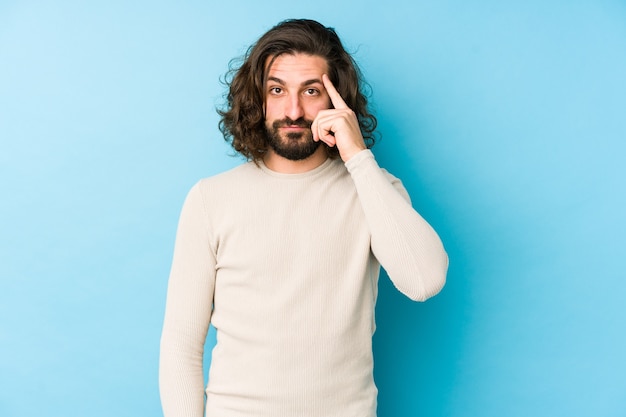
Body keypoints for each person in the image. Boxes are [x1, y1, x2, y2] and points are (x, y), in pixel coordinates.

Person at [159, 18, 448, 417]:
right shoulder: (211, 199)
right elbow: (180, 346)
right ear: (257, 99)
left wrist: (359, 158)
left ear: (337, 100)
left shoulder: (373, 189)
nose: (293, 110)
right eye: (277, 90)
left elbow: (425, 281)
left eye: (311, 91)